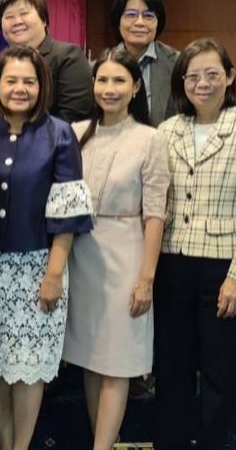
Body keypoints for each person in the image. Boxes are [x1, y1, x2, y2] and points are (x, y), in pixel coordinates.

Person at [0, 45, 94, 450]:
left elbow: (67, 213)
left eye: (29, 81)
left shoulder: (59, 134)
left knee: (28, 367)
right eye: (11, 80)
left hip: (38, 267)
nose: (19, 89)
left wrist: (54, 274)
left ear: (42, 86)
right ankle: (6, 441)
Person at [154, 37, 236, 450]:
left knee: (219, 375)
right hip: (172, 265)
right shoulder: (167, 131)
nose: (202, 83)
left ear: (230, 77)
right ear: (181, 81)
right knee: (171, 370)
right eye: (193, 76)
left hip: (224, 270)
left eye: (212, 74)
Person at [62, 49, 169, 450]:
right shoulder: (75, 133)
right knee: (91, 359)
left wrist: (146, 278)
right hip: (81, 255)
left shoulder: (150, 139)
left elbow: (155, 214)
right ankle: (102, 442)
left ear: (135, 87)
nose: (110, 88)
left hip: (126, 255)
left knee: (117, 363)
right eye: (103, 80)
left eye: (119, 81)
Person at [0, 0, 93, 123]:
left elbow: (74, 117)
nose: (17, 21)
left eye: (24, 13)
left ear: (44, 20)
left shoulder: (69, 56)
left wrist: (22, 132)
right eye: (9, 17)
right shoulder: (2, 63)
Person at [109, 0, 179, 126]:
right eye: (131, 15)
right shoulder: (100, 67)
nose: (140, 22)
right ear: (118, 21)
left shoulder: (178, 63)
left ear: (158, 22)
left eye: (148, 16)